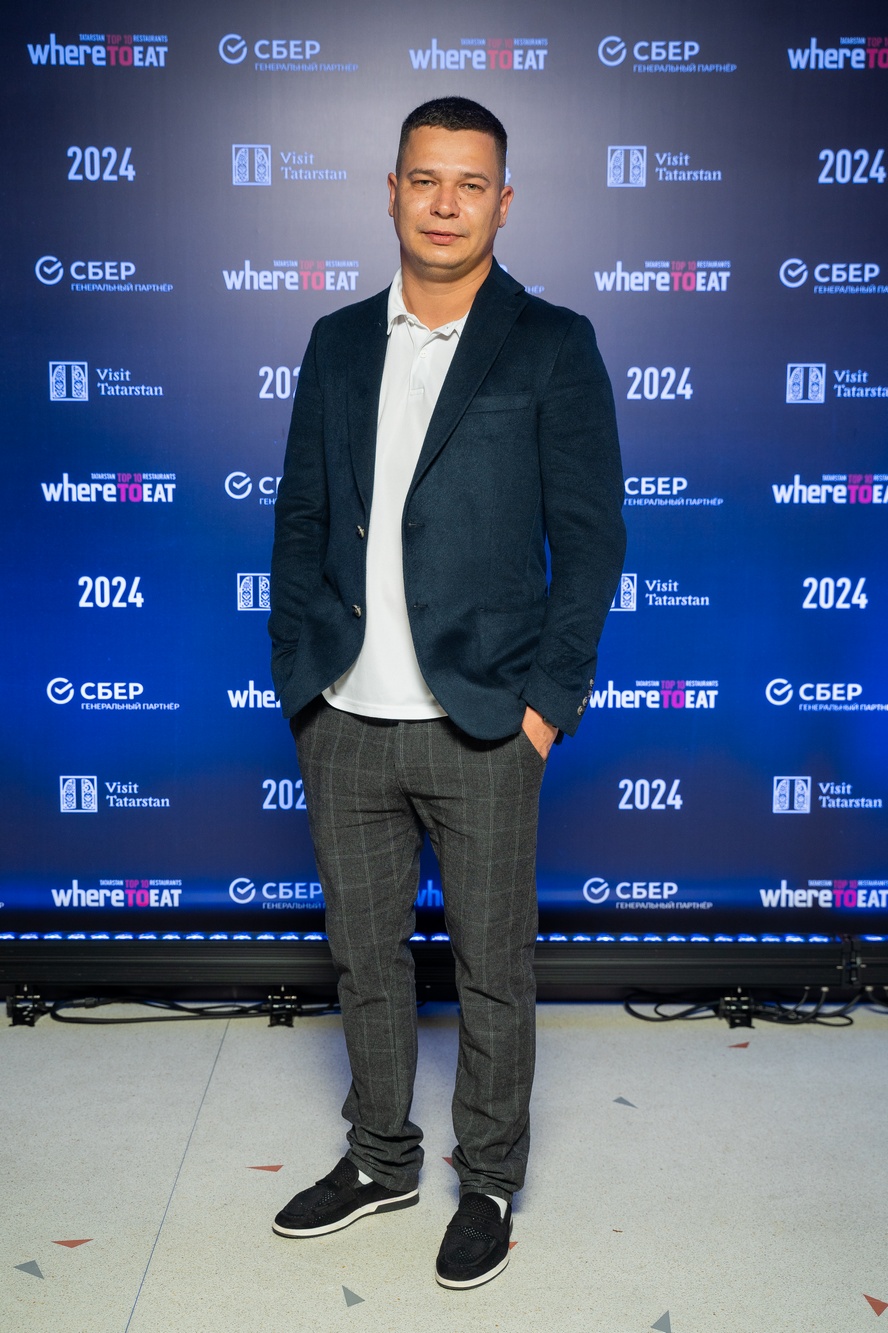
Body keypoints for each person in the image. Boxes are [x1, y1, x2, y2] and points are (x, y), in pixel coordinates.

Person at [268, 96, 625, 1289]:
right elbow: (300, 519)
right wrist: (301, 682)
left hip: (485, 724)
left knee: (492, 971)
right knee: (365, 960)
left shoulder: (552, 343)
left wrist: (545, 708)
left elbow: (593, 540)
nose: (445, 203)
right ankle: (380, 1157)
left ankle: (490, 1180)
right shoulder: (335, 342)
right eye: (425, 178)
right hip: (345, 718)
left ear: (503, 202)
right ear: (392, 190)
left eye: (471, 184)